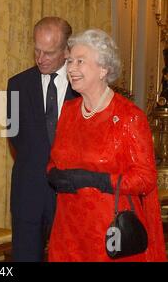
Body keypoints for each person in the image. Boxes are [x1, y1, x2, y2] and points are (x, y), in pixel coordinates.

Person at [47, 29, 167, 261]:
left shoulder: (128, 117)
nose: (71, 68)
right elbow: (55, 160)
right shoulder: (69, 112)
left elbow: (145, 178)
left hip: (110, 231)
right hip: (68, 230)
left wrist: (97, 180)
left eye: (80, 61)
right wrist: (52, 173)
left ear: (104, 69)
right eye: (70, 61)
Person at [7, 17, 78, 261]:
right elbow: (14, 135)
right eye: (36, 50)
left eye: (49, 52)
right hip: (28, 190)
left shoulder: (82, 87)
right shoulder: (17, 84)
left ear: (67, 50)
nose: (40, 59)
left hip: (72, 192)